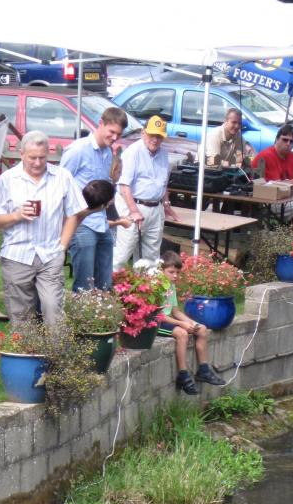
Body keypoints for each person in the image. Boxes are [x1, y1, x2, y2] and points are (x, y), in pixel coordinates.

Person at [0, 130, 86, 325]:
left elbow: (76, 212)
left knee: (53, 309)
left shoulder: (62, 176)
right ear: (21, 154)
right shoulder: (7, 179)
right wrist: (17, 215)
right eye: (32, 157)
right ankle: (24, 354)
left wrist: (62, 246)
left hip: (50, 253)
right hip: (17, 254)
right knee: (21, 316)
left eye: (42, 157)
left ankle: (56, 354)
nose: (37, 162)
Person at [60, 106, 128, 292]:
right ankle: (81, 320)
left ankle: (102, 320)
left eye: (118, 134)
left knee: (105, 283)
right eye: (112, 132)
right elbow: (60, 186)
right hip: (81, 223)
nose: (114, 138)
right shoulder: (77, 150)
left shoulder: (107, 152)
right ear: (100, 124)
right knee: (84, 284)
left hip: (101, 222)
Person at [113, 115, 179, 270]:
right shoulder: (133, 152)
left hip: (155, 208)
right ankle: (109, 291)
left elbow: (163, 183)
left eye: (159, 136)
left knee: (151, 259)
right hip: (133, 205)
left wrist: (166, 204)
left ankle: (144, 292)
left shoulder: (163, 153)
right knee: (122, 255)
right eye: (151, 135)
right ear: (143, 132)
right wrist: (134, 211)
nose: (155, 140)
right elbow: (124, 186)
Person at [158, 251, 225, 395]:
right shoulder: (157, 287)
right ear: (161, 270)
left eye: (177, 272)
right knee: (182, 334)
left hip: (169, 320)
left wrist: (192, 323)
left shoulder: (171, 286)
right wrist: (182, 325)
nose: (175, 276)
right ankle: (183, 375)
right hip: (156, 324)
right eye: (171, 272)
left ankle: (204, 370)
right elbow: (159, 316)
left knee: (202, 329)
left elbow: (175, 311)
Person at [252, 124, 293, 226]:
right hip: (265, 200)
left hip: (283, 197)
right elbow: (278, 185)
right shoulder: (267, 155)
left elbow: (290, 183)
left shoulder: (291, 155)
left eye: (292, 141)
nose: (288, 144)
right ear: (277, 139)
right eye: (285, 140)